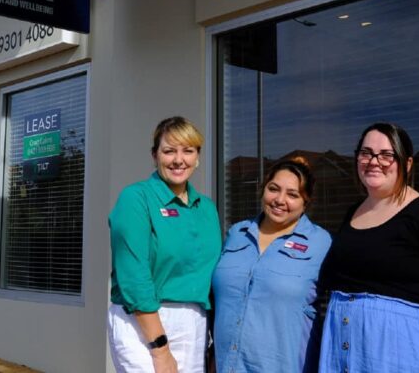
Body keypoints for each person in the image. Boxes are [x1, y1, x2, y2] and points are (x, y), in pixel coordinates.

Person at [318, 122, 419, 373]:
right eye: (366, 153)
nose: (374, 161)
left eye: (387, 155)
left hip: (403, 358)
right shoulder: (352, 213)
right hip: (342, 356)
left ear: (407, 164)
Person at [108, 116, 221, 373]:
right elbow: (134, 276)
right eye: (169, 151)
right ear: (155, 155)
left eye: (188, 151)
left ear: (197, 156)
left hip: (194, 322)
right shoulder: (136, 198)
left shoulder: (207, 209)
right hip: (142, 321)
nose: (178, 160)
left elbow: (211, 276)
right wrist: (160, 349)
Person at [212, 156, 332, 373]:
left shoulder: (320, 243)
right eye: (273, 189)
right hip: (227, 365)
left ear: (306, 202)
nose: (279, 199)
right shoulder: (237, 234)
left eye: (293, 194)